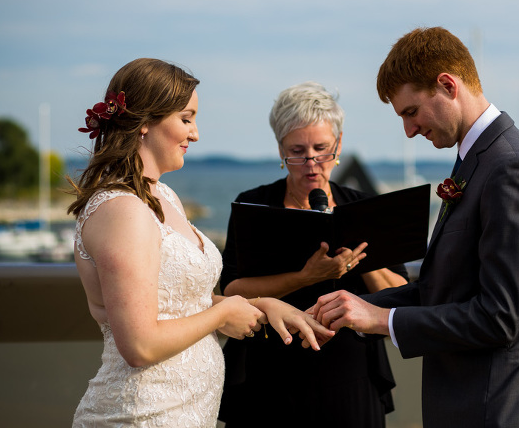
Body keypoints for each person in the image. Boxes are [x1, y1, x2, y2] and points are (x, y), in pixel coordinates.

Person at [311, 27, 519, 428]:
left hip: (505, 409)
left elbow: (498, 318)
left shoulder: (512, 168)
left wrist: (380, 320)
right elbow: (445, 289)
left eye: (411, 111)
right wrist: (350, 307)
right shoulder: (479, 161)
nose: (409, 130)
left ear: (448, 86)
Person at [68, 58, 332, 427]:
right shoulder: (122, 210)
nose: (195, 134)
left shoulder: (163, 196)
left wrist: (259, 304)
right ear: (145, 122)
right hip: (143, 416)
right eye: (186, 119)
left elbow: (179, 304)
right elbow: (140, 346)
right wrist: (223, 314)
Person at [218, 82, 409, 427]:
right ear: (280, 150)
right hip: (269, 377)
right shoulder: (254, 205)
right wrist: (306, 277)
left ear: (338, 145)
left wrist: (357, 253)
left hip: (351, 375)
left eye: (321, 150)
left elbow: (400, 295)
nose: (311, 164)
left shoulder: (364, 207)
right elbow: (232, 290)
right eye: (297, 151)